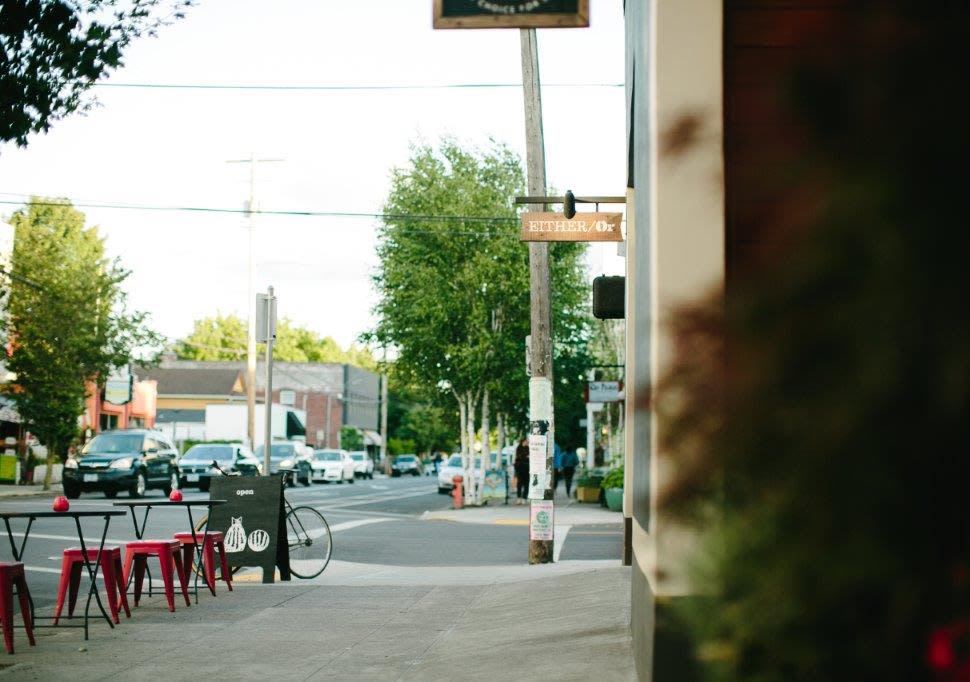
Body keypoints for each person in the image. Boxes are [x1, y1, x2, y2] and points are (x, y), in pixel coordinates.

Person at [513, 438, 529, 503]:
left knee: (526, 483)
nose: (527, 442)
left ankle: (524, 498)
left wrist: (525, 457)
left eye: (527, 441)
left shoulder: (528, 448)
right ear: (523, 442)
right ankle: (519, 497)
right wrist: (526, 456)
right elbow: (518, 457)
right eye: (526, 441)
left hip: (527, 468)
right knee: (519, 483)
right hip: (519, 468)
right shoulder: (518, 448)